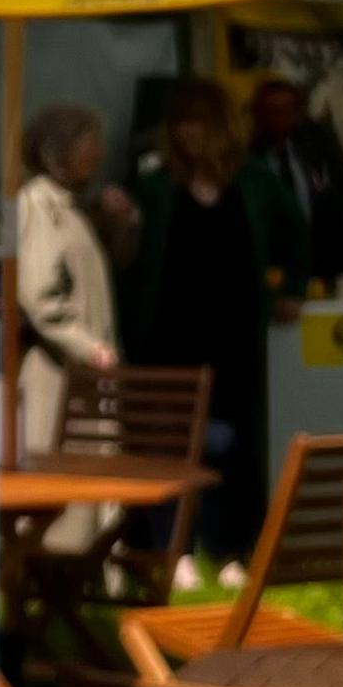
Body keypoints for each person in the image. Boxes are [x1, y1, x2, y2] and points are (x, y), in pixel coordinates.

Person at [127, 78, 307, 571]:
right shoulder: (157, 183)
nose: (188, 134)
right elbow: (130, 256)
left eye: (197, 122)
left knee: (234, 445)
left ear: (220, 126)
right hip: (169, 335)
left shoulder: (253, 180)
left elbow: (297, 230)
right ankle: (175, 547)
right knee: (169, 441)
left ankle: (231, 549)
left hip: (234, 334)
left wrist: (292, 287)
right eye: (180, 123)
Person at [10, 103, 122, 554]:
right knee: (66, 479)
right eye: (88, 142)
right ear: (59, 149)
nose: (99, 152)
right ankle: (51, 574)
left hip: (86, 372)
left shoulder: (73, 208)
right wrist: (88, 347)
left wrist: (121, 221)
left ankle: (84, 572)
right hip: (58, 376)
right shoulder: (35, 205)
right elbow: (36, 294)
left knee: (92, 471)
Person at [247, 75, 343, 297]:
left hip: (320, 269)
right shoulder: (246, 160)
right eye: (273, 111)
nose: (282, 119)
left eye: (288, 110)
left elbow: (338, 205)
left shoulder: (317, 149)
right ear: (258, 114)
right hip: (265, 275)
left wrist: (339, 260)